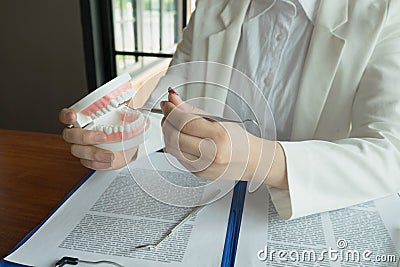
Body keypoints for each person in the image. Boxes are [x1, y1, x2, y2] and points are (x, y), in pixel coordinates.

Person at [60, 0, 400, 220]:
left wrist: (259, 159)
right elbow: (173, 97)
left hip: (317, 224)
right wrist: (132, 140)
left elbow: (390, 153)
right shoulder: (212, 7)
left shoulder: (386, 14)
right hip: (204, 211)